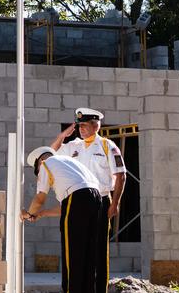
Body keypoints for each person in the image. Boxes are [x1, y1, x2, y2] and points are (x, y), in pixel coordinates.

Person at [50, 107, 126, 285]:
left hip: (100, 200)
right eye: (79, 126)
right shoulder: (73, 146)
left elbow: (121, 175)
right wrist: (63, 136)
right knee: (76, 247)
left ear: (96, 126)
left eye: (84, 125)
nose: (81, 129)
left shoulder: (107, 146)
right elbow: (50, 154)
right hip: (77, 202)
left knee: (98, 248)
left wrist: (115, 204)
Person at [21, 146, 105, 293]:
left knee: (72, 252)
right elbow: (67, 207)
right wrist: (42, 214)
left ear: (39, 161)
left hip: (77, 199)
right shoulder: (69, 163)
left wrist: (28, 214)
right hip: (96, 198)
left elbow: (40, 198)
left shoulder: (46, 163)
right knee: (89, 253)